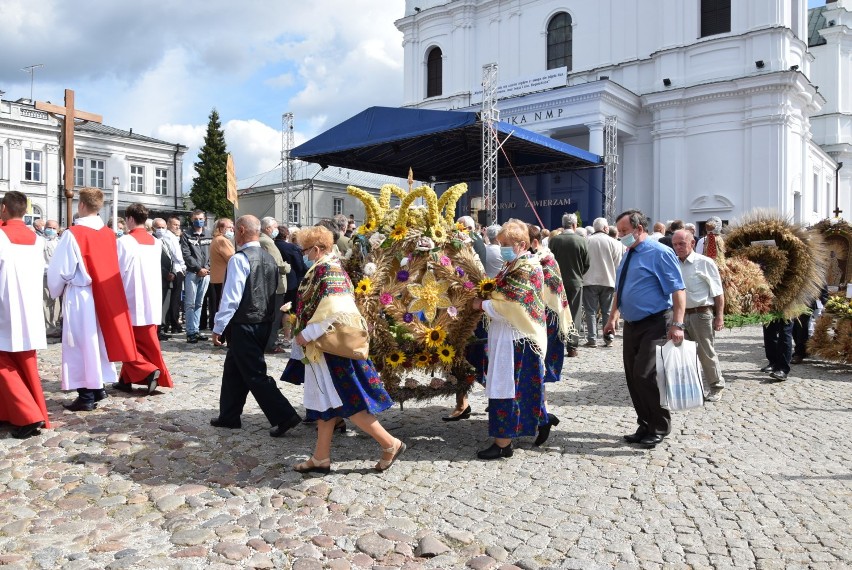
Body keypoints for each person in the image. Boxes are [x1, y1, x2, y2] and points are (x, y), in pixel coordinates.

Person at [283, 225, 404, 473]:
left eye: (306, 250)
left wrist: (307, 334)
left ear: (317, 249)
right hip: (324, 349)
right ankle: (320, 457)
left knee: (347, 402)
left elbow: (334, 309)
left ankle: (390, 443)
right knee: (324, 403)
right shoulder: (324, 268)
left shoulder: (328, 270)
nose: (304, 255)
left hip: (332, 348)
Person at [210, 215, 302, 436]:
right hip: (262, 323)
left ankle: (285, 415)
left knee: (254, 373)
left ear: (241, 230)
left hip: (245, 323)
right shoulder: (268, 257)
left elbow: (231, 298)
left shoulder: (240, 259)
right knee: (233, 367)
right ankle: (229, 416)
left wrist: (218, 326)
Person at [47, 187, 137, 411]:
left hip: (81, 294)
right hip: (103, 294)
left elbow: (62, 270)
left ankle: (86, 394)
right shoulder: (109, 234)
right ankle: (98, 388)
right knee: (97, 342)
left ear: (81, 205)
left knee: (80, 343)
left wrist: (55, 288)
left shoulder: (73, 234)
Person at [603, 209, 685, 448]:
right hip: (632, 324)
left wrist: (678, 324)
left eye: (625, 232)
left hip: (656, 321)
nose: (621, 236)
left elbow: (678, 290)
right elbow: (621, 288)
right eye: (619, 232)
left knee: (645, 374)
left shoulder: (660, 252)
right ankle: (645, 422)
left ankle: (659, 425)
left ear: (639, 229)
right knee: (632, 376)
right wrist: (612, 316)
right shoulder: (628, 253)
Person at [470, 221, 549, 459]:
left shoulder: (524, 268)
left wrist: (481, 304)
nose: (501, 248)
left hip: (515, 339)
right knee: (521, 387)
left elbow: (512, 305)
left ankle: (503, 443)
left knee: (505, 388)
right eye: (500, 243)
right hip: (510, 335)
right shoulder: (514, 263)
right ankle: (541, 419)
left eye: (506, 244)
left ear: (522, 244)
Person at [0, 191, 51, 438]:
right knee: (26, 365)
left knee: (3, 364)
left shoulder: (0, 236)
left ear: (3, 209)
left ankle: (28, 414)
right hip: (29, 307)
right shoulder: (37, 239)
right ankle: (12, 412)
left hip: (5, 306)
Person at [114, 203, 174, 394]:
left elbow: (119, 271)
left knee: (127, 343)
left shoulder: (124, 242)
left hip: (131, 297)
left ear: (130, 219)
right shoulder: (156, 242)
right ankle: (125, 380)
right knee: (147, 343)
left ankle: (148, 371)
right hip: (151, 297)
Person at [528, 223, 573, 446]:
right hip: (535, 322)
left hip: (544, 324)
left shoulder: (544, 261)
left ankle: (542, 417)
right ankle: (541, 415)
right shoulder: (536, 258)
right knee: (534, 375)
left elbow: (545, 295)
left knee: (535, 372)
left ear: (534, 242)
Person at [672, 229, 725, 401]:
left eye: (682, 243)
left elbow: (718, 292)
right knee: (682, 353)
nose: (678, 247)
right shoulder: (673, 263)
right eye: (675, 244)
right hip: (679, 316)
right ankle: (691, 387)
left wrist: (719, 316)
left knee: (705, 352)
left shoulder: (705, 262)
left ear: (692, 243)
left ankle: (716, 386)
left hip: (701, 314)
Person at [547, 212, 589, 357]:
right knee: (574, 314)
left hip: (556, 281)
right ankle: (572, 347)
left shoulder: (554, 241)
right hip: (575, 281)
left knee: (556, 312)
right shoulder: (582, 240)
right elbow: (586, 263)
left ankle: (555, 344)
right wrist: (579, 273)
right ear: (574, 224)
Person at [582, 217, 623, 347]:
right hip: (609, 280)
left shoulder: (586, 241)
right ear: (606, 228)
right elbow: (618, 264)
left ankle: (592, 338)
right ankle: (608, 338)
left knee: (590, 311)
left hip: (589, 279)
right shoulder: (615, 242)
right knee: (607, 311)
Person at [180, 209, 212, 343]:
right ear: (192, 219)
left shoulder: (209, 234)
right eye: (196, 218)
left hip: (206, 273)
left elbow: (211, 253)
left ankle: (196, 329)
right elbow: (186, 255)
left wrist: (207, 268)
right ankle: (190, 332)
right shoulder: (186, 235)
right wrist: (198, 268)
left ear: (204, 219)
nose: (199, 220)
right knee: (190, 304)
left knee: (200, 303)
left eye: (201, 218)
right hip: (193, 273)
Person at [259, 217, 290, 353]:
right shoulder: (267, 242)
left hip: (269, 283)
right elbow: (278, 263)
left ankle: (267, 342)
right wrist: (287, 267)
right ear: (268, 228)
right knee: (275, 317)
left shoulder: (263, 240)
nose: (277, 230)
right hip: (276, 284)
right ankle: (270, 345)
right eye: (275, 227)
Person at [274, 225, 307, 347]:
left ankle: (279, 335)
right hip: (292, 282)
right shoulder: (291, 248)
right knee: (289, 309)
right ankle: (287, 336)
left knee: (279, 308)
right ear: (286, 235)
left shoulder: (273, 245)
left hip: (276, 281)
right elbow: (300, 266)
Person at [209, 218, 236, 330]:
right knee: (224, 309)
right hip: (223, 279)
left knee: (218, 308)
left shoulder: (216, 239)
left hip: (217, 278)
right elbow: (233, 258)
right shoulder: (222, 240)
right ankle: (222, 334)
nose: (232, 230)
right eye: (229, 227)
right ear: (220, 229)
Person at [163, 216, 186, 334]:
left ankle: (169, 322)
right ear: (168, 224)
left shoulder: (171, 236)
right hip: (176, 269)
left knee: (173, 298)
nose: (177, 227)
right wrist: (183, 267)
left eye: (178, 225)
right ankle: (174, 323)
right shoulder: (169, 236)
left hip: (172, 268)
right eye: (174, 224)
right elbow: (177, 254)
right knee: (175, 299)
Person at [43, 219, 62, 338]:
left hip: (59, 277)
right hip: (46, 275)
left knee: (58, 303)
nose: (51, 230)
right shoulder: (40, 242)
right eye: (49, 227)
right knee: (47, 302)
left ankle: (57, 325)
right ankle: (49, 328)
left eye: (54, 228)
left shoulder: (60, 242)